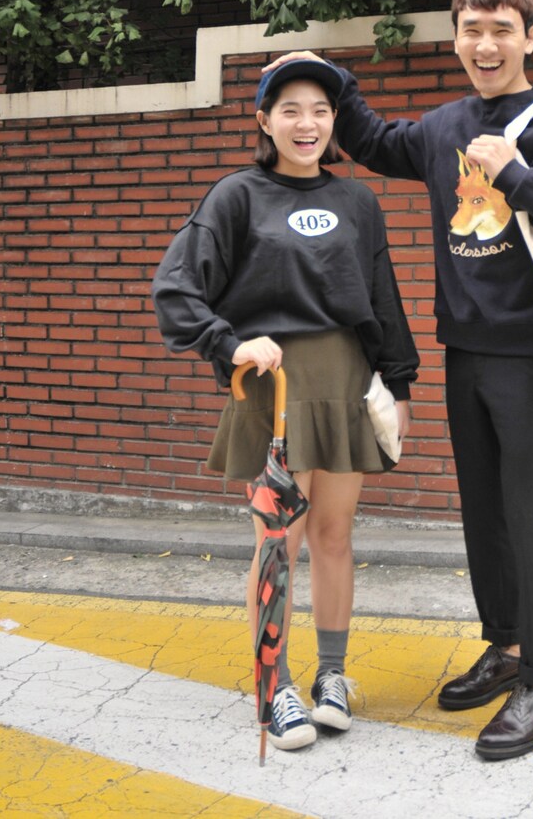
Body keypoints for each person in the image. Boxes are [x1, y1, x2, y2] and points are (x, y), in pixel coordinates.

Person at [263, 0, 533, 761]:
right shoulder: (443, 126)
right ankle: (506, 646)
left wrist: (517, 178)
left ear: (531, 37)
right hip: (465, 349)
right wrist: (325, 76)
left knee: (532, 519)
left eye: (502, 30)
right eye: (472, 30)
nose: (486, 45)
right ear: (455, 36)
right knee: (484, 515)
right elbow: (370, 139)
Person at [151, 58, 418, 752]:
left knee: (334, 534)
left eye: (321, 110)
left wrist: (399, 384)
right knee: (279, 542)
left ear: (335, 122)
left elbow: (383, 295)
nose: (307, 124)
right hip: (274, 389)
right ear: (263, 121)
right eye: (291, 109)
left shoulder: (358, 201)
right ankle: (277, 687)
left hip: (347, 381)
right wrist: (230, 343)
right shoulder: (235, 196)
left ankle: (332, 676)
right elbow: (176, 289)